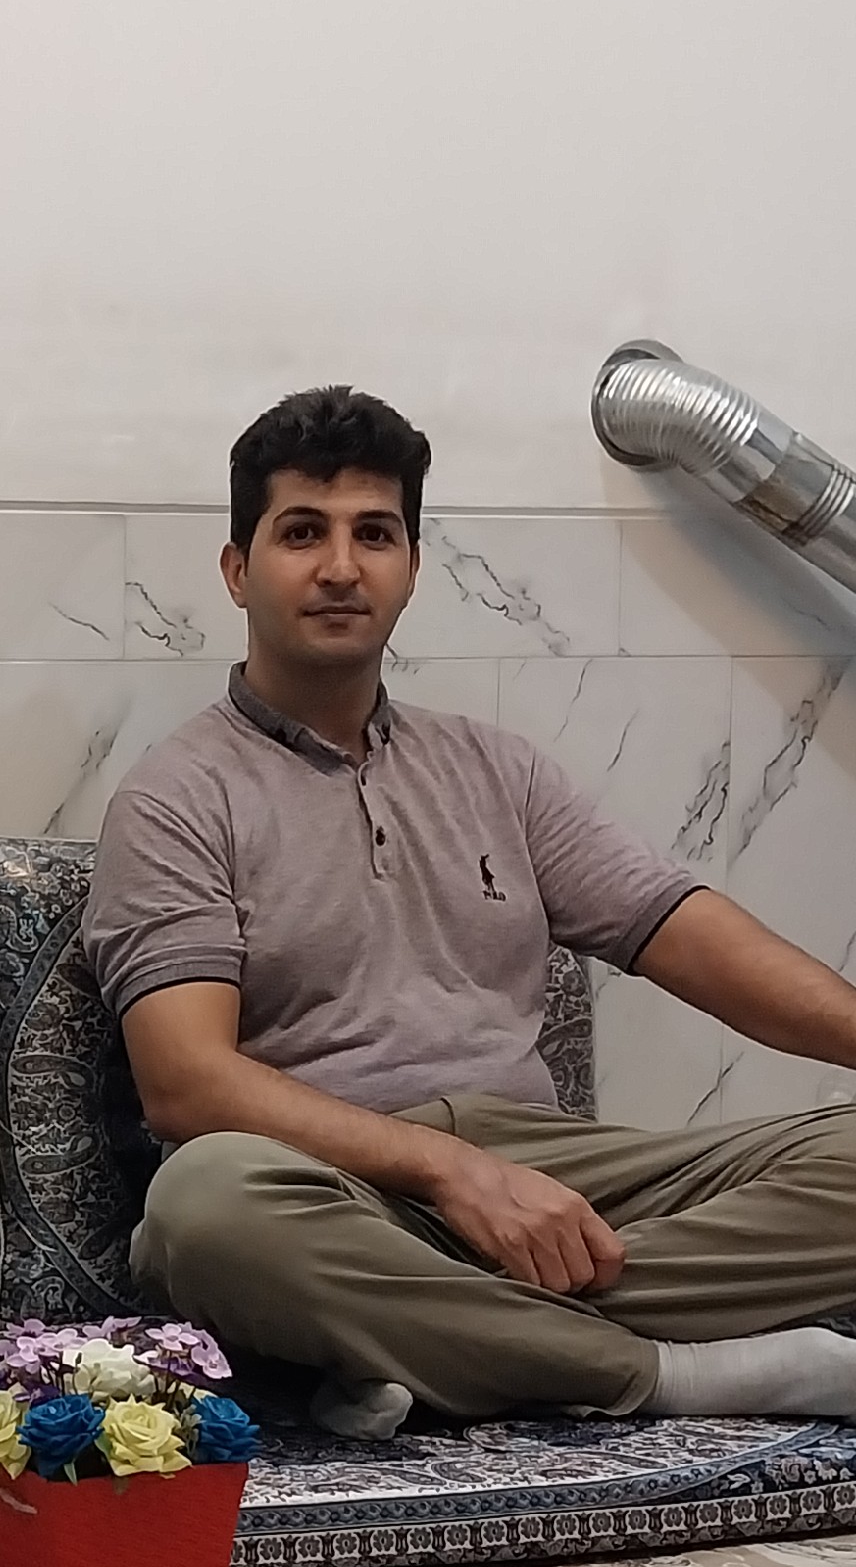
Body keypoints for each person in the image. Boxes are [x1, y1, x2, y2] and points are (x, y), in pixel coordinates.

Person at [85, 383, 856, 1436]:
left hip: (546, 1167)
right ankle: (671, 1374)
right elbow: (186, 1086)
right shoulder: (176, 798)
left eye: (375, 534)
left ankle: (408, 1339)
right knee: (202, 1211)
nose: (341, 566)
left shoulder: (497, 769)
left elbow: (689, 933)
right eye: (302, 532)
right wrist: (452, 1173)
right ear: (237, 569)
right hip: (331, 1183)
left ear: (412, 568)